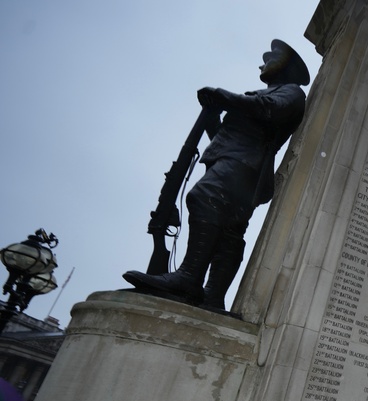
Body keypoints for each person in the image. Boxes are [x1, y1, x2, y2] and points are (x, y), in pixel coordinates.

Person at [124, 40, 309, 311]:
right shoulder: (267, 94)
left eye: (270, 58)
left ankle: (189, 276)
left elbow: (269, 108)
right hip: (238, 163)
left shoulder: (291, 92)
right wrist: (214, 121)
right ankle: (212, 296)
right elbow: (233, 137)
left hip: (245, 166)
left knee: (203, 197)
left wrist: (223, 96)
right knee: (229, 232)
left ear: (285, 66)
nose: (263, 63)